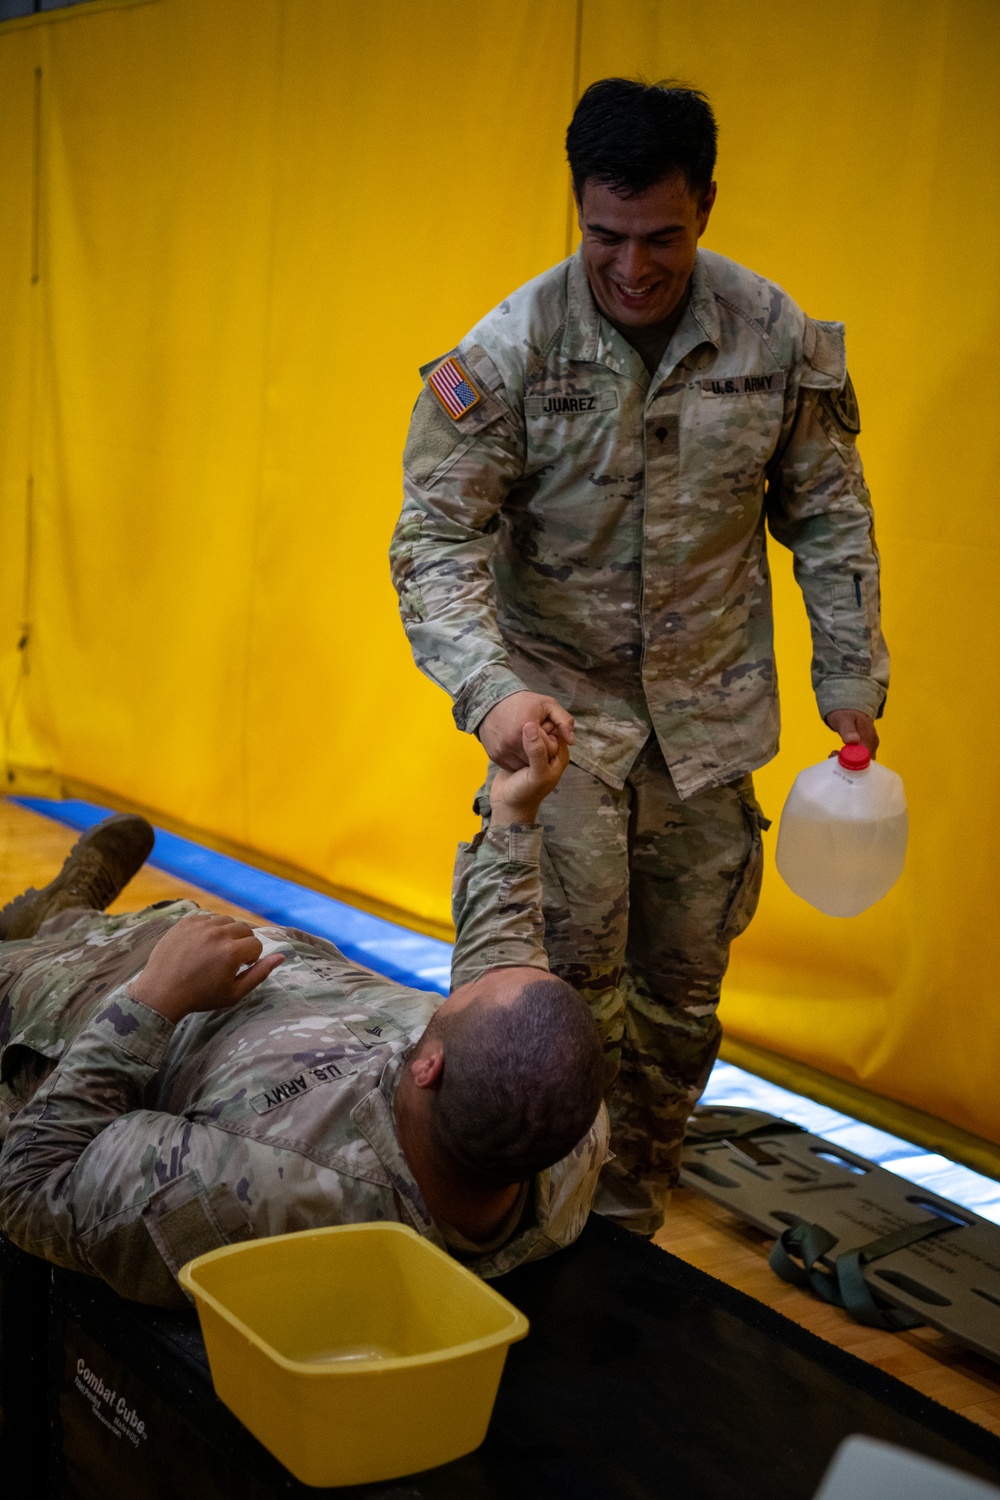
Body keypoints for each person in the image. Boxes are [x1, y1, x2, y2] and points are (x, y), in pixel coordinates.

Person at [390, 78, 889, 1235]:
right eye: (603, 237)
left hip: (709, 737)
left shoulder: (772, 336)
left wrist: (850, 675)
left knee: (679, 1003)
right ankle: (535, 1215)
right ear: (577, 209)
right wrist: (492, 691)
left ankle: (630, 1211)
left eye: (660, 237)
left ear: (706, 205)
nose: (631, 267)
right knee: (560, 1006)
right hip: (560, 734)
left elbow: (829, 514)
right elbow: (430, 541)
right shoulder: (508, 353)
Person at [0, 725, 607, 1307]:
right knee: (116, 930)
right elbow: (506, 994)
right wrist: (511, 817)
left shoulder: (250, 1193)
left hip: (77, 1013)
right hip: (200, 958)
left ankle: (50, 931)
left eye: (457, 999)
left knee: (34, 969)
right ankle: (64, 916)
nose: (480, 976)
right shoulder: (552, 1121)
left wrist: (152, 1000)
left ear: (428, 1065)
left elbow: (29, 1189)